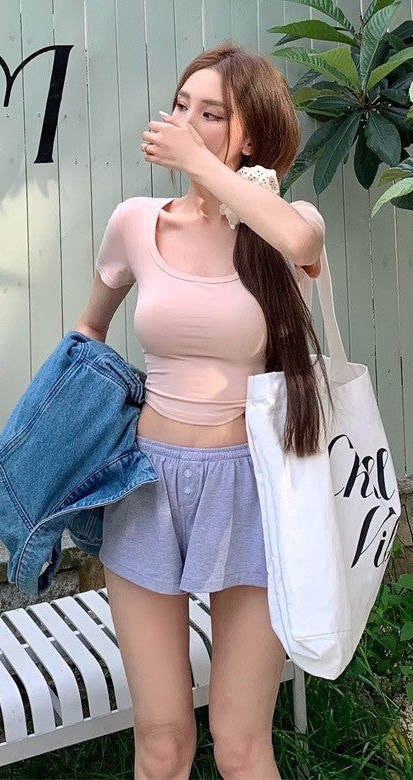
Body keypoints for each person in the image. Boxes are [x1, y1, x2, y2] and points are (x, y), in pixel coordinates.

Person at [74, 42, 331, 780]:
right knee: (162, 739)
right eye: (181, 105)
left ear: (250, 135)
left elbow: (302, 240)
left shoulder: (285, 229)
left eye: (211, 113)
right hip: (147, 487)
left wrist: (203, 167)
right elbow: (89, 329)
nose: (185, 121)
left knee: (242, 743)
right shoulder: (136, 222)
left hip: (252, 486)